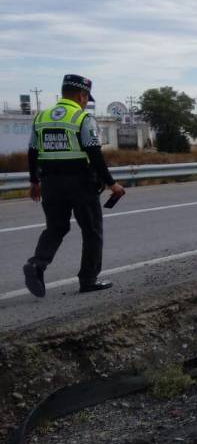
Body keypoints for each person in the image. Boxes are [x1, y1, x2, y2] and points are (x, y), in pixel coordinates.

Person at [23, 74, 125, 297]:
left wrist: (34, 181)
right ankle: (88, 280)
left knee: (56, 227)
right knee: (91, 230)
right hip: (80, 183)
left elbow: (32, 152)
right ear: (82, 95)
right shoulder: (81, 118)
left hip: (50, 183)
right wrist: (112, 184)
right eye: (86, 98)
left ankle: (36, 264)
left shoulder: (41, 117)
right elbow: (94, 153)